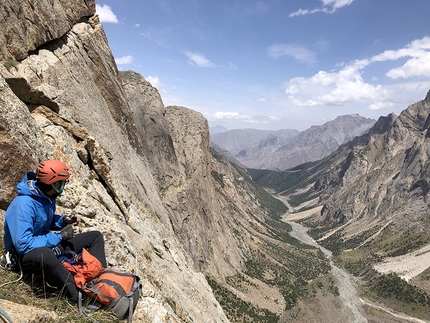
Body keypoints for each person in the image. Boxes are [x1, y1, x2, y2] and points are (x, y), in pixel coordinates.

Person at [3, 159, 107, 303]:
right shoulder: (23, 205)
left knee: (95, 236)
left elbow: (44, 220)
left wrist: (63, 221)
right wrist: (60, 236)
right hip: (25, 257)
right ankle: (78, 297)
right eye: (64, 182)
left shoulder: (46, 196)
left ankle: (100, 279)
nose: (64, 185)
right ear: (56, 184)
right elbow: (23, 244)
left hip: (46, 246)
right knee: (46, 255)